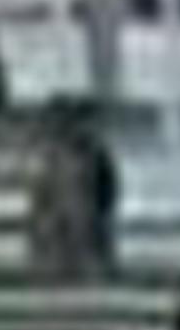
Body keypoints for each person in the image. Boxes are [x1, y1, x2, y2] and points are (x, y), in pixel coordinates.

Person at [23, 99, 120, 283]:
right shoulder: (52, 155)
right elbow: (39, 198)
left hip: (81, 226)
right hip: (66, 229)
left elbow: (107, 194)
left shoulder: (92, 153)